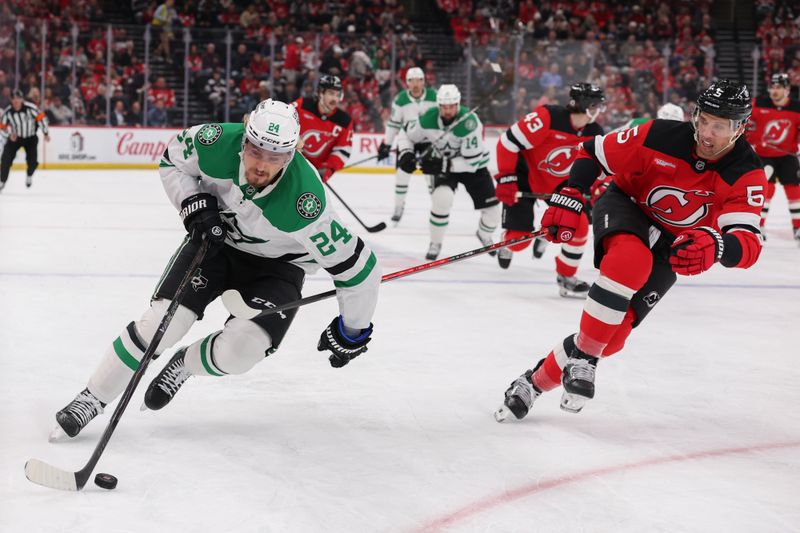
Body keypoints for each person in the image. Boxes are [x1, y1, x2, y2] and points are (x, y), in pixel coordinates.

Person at [50, 99, 381, 439]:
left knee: (241, 352)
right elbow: (172, 161)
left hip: (278, 268)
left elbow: (360, 270)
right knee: (161, 325)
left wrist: (352, 332)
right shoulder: (214, 141)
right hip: (215, 242)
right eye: (256, 150)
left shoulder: (305, 202)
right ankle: (91, 398)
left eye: (276, 156)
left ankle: (185, 364)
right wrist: (193, 206)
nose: (262, 165)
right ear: (244, 137)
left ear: (292, 154)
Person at [495, 79, 767, 421]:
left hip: (676, 240)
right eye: (704, 120)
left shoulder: (746, 171)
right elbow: (592, 152)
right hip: (628, 205)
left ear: (740, 128)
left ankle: (533, 382)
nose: (707, 134)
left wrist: (718, 245)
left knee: (613, 336)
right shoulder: (659, 134)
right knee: (629, 261)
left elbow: (748, 242)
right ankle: (584, 360)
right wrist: (573, 192)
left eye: (720, 126)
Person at [493, 83, 606, 298]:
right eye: (595, 105)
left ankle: (566, 278)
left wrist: (599, 186)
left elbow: (597, 167)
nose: (599, 110)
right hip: (525, 176)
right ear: (583, 105)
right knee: (519, 241)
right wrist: (507, 179)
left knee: (579, 225)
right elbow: (507, 143)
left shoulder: (594, 132)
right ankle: (507, 242)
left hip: (559, 185)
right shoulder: (548, 117)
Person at [397, 84, 500, 260]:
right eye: (444, 106)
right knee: (442, 199)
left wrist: (444, 165)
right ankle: (435, 242)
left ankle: (484, 233)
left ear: (458, 104)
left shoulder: (470, 122)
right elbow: (405, 133)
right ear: (439, 105)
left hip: (474, 168)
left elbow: (472, 161)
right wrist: (406, 153)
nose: (448, 110)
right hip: (444, 165)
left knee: (493, 211)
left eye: (452, 106)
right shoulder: (428, 119)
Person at [377, 67, 437, 224]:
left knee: (432, 175)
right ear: (407, 83)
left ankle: (438, 208)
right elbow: (394, 123)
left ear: (424, 82)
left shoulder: (434, 96)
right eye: (412, 81)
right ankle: (398, 206)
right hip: (407, 138)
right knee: (402, 173)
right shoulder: (400, 99)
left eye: (419, 80)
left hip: (428, 139)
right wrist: (386, 144)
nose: (416, 84)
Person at [746, 73, 800, 242]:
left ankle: (798, 228)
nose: (773, 91)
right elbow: (745, 122)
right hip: (763, 155)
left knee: (794, 191)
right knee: (765, 189)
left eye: (778, 87)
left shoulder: (797, 108)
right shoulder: (759, 103)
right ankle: (758, 226)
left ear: (787, 90)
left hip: (787, 155)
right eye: (772, 87)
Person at [291, 74, 353, 182]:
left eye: (338, 95)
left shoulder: (344, 121)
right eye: (331, 93)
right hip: (290, 165)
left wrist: (327, 171)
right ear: (320, 93)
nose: (335, 99)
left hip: (314, 172)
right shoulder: (303, 105)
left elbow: (342, 151)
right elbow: (283, 118)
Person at [0, 89, 49, 191]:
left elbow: (41, 118)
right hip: (15, 138)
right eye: (14, 99)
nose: (16, 101)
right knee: (5, 159)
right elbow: (2, 126)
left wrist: (45, 133)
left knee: (32, 161)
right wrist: (9, 135)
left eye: (18, 99)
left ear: (22, 99)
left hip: (30, 138)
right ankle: (2, 181)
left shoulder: (31, 108)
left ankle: (29, 175)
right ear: (11, 100)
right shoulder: (8, 112)